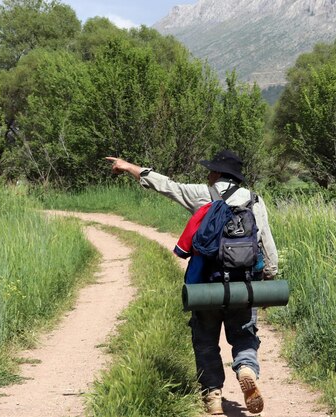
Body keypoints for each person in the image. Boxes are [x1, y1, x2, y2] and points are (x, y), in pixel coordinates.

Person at [105, 150, 278, 415]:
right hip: (244, 286)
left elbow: (167, 186)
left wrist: (128, 167)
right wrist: (266, 282)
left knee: (206, 339)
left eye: (210, 171)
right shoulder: (255, 200)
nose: (207, 175)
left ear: (219, 174)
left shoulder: (203, 194)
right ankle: (245, 368)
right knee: (244, 335)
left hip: (206, 287)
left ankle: (212, 395)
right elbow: (267, 246)